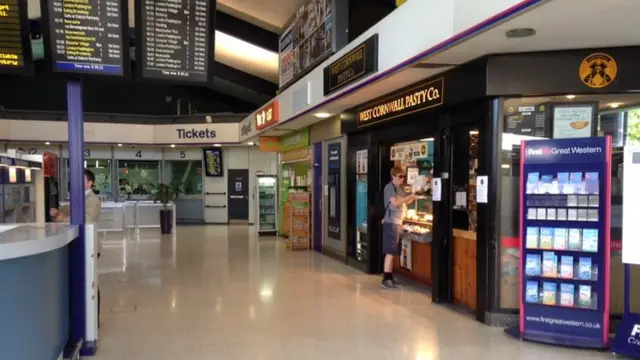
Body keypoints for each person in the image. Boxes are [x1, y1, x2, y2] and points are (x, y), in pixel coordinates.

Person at [50, 169, 102, 324]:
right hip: (80, 245)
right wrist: (58, 211)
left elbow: (86, 219)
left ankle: (93, 320)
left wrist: (62, 218)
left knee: (91, 282)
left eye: (81, 180)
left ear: (90, 183)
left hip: (90, 246)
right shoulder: (80, 198)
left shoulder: (93, 200)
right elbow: (69, 209)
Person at [381, 166, 418, 289]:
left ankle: (389, 277)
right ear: (394, 176)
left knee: (393, 250)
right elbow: (395, 203)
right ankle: (386, 279)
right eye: (400, 176)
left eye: (403, 176)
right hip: (392, 222)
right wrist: (410, 197)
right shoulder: (389, 188)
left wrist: (413, 196)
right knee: (390, 251)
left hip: (397, 222)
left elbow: (403, 201)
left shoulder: (399, 189)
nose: (402, 179)